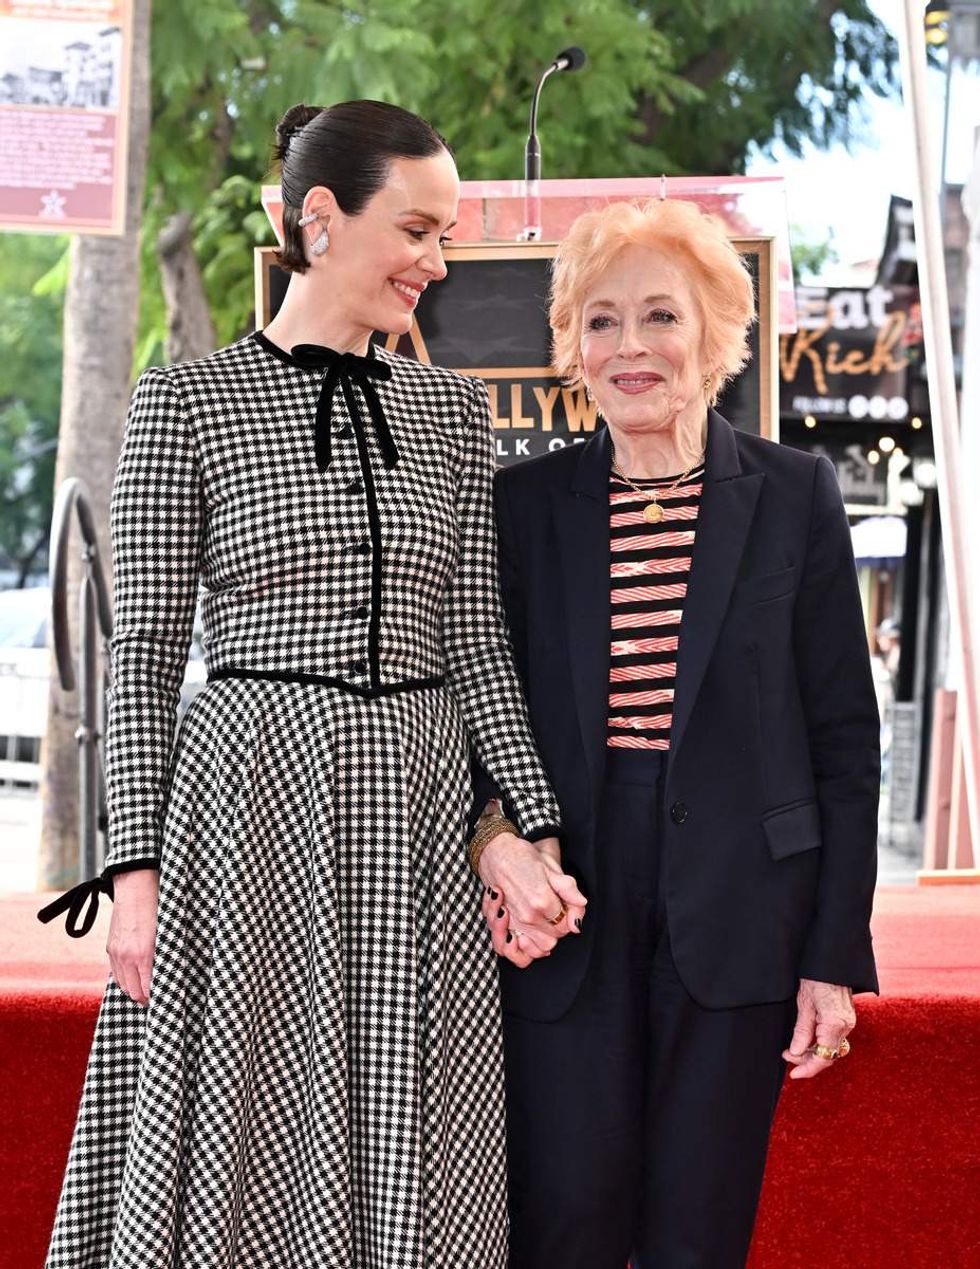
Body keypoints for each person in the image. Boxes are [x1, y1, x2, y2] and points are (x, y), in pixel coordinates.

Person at [40, 99, 585, 1269]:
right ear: (321, 220)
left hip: (414, 803)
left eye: (449, 236)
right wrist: (129, 873)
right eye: (420, 231)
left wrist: (531, 827)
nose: (438, 263)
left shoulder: (449, 410)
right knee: (245, 1112)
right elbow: (138, 656)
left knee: (410, 1112)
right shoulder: (184, 401)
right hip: (247, 803)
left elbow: (476, 642)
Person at [470, 198, 880, 1269]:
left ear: (715, 338)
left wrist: (830, 957)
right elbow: (480, 714)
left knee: (697, 1238)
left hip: (743, 914)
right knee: (562, 1226)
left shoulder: (795, 494)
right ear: (569, 348)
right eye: (598, 322)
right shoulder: (522, 506)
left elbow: (844, 740)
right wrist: (496, 847)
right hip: (572, 912)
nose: (629, 346)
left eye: (660, 316)